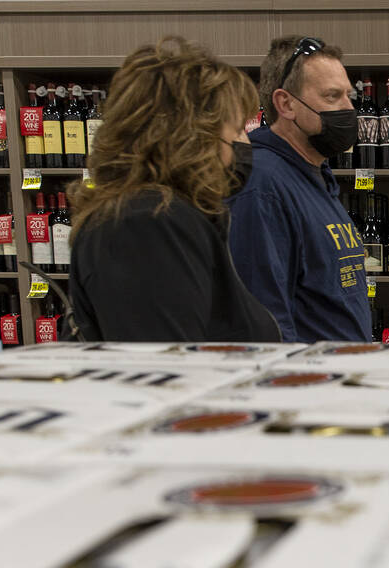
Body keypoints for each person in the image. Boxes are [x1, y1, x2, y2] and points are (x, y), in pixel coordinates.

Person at [67, 37, 280, 342]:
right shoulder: (146, 223)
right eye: (236, 131)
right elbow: (167, 374)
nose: (246, 145)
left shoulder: (165, 215)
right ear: (189, 137)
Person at [227, 35, 370, 343]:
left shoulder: (315, 173)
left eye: (349, 96)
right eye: (332, 97)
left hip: (339, 380)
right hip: (307, 384)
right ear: (286, 103)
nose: (348, 109)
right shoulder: (262, 185)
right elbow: (264, 319)